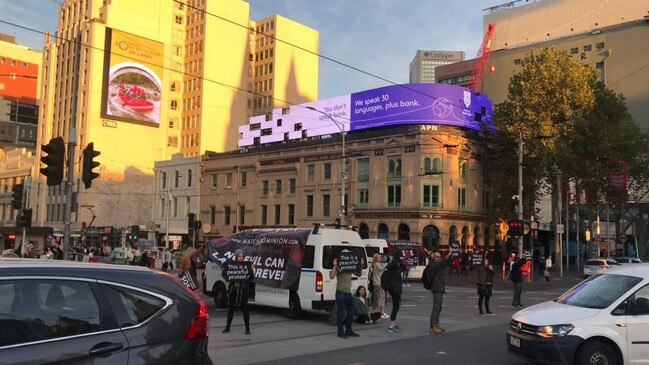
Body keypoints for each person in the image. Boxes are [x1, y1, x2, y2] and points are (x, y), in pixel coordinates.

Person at [222, 249, 254, 335]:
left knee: (245, 308)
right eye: (239, 256)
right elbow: (227, 277)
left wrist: (252, 271)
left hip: (244, 289)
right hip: (234, 289)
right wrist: (224, 271)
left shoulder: (246, 265)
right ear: (236, 257)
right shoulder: (232, 265)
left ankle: (247, 328)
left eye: (242, 256)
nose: (241, 257)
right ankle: (227, 327)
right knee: (231, 308)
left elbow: (251, 279)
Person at [330, 253, 362, 338]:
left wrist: (360, 265)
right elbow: (332, 276)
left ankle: (348, 330)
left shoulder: (350, 267)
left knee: (351, 312)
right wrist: (334, 265)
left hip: (348, 292)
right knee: (340, 312)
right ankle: (340, 332)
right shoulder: (339, 266)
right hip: (340, 291)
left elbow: (359, 274)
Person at [425, 250, 453, 334]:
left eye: (440, 256)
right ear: (433, 258)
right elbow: (441, 263)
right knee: (436, 306)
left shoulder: (438, 265)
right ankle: (432, 326)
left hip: (440, 287)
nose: (439, 258)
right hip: (436, 287)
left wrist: (452, 255)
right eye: (437, 257)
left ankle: (437, 324)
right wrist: (447, 254)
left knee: (439, 306)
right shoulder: (432, 265)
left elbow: (446, 263)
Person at [385, 250, 406, 333]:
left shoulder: (398, 267)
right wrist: (395, 261)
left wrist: (401, 262)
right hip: (394, 289)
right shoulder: (392, 266)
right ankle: (391, 326)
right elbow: (390, 266)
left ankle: (394, 324)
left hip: (398, 289)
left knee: (397, 307)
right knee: (395, 307)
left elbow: (404, 268)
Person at [369, 253, 389, 320]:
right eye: (379, 257)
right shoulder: (376, 264)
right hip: (378, 283)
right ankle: (378, 312)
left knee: (380, 298)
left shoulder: (376, 264)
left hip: (378, 283)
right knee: (379, 299)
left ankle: (382, 312)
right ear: (375, 258)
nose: (380, 259)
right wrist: (386, 264)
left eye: (380, 257)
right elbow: (381, 269)